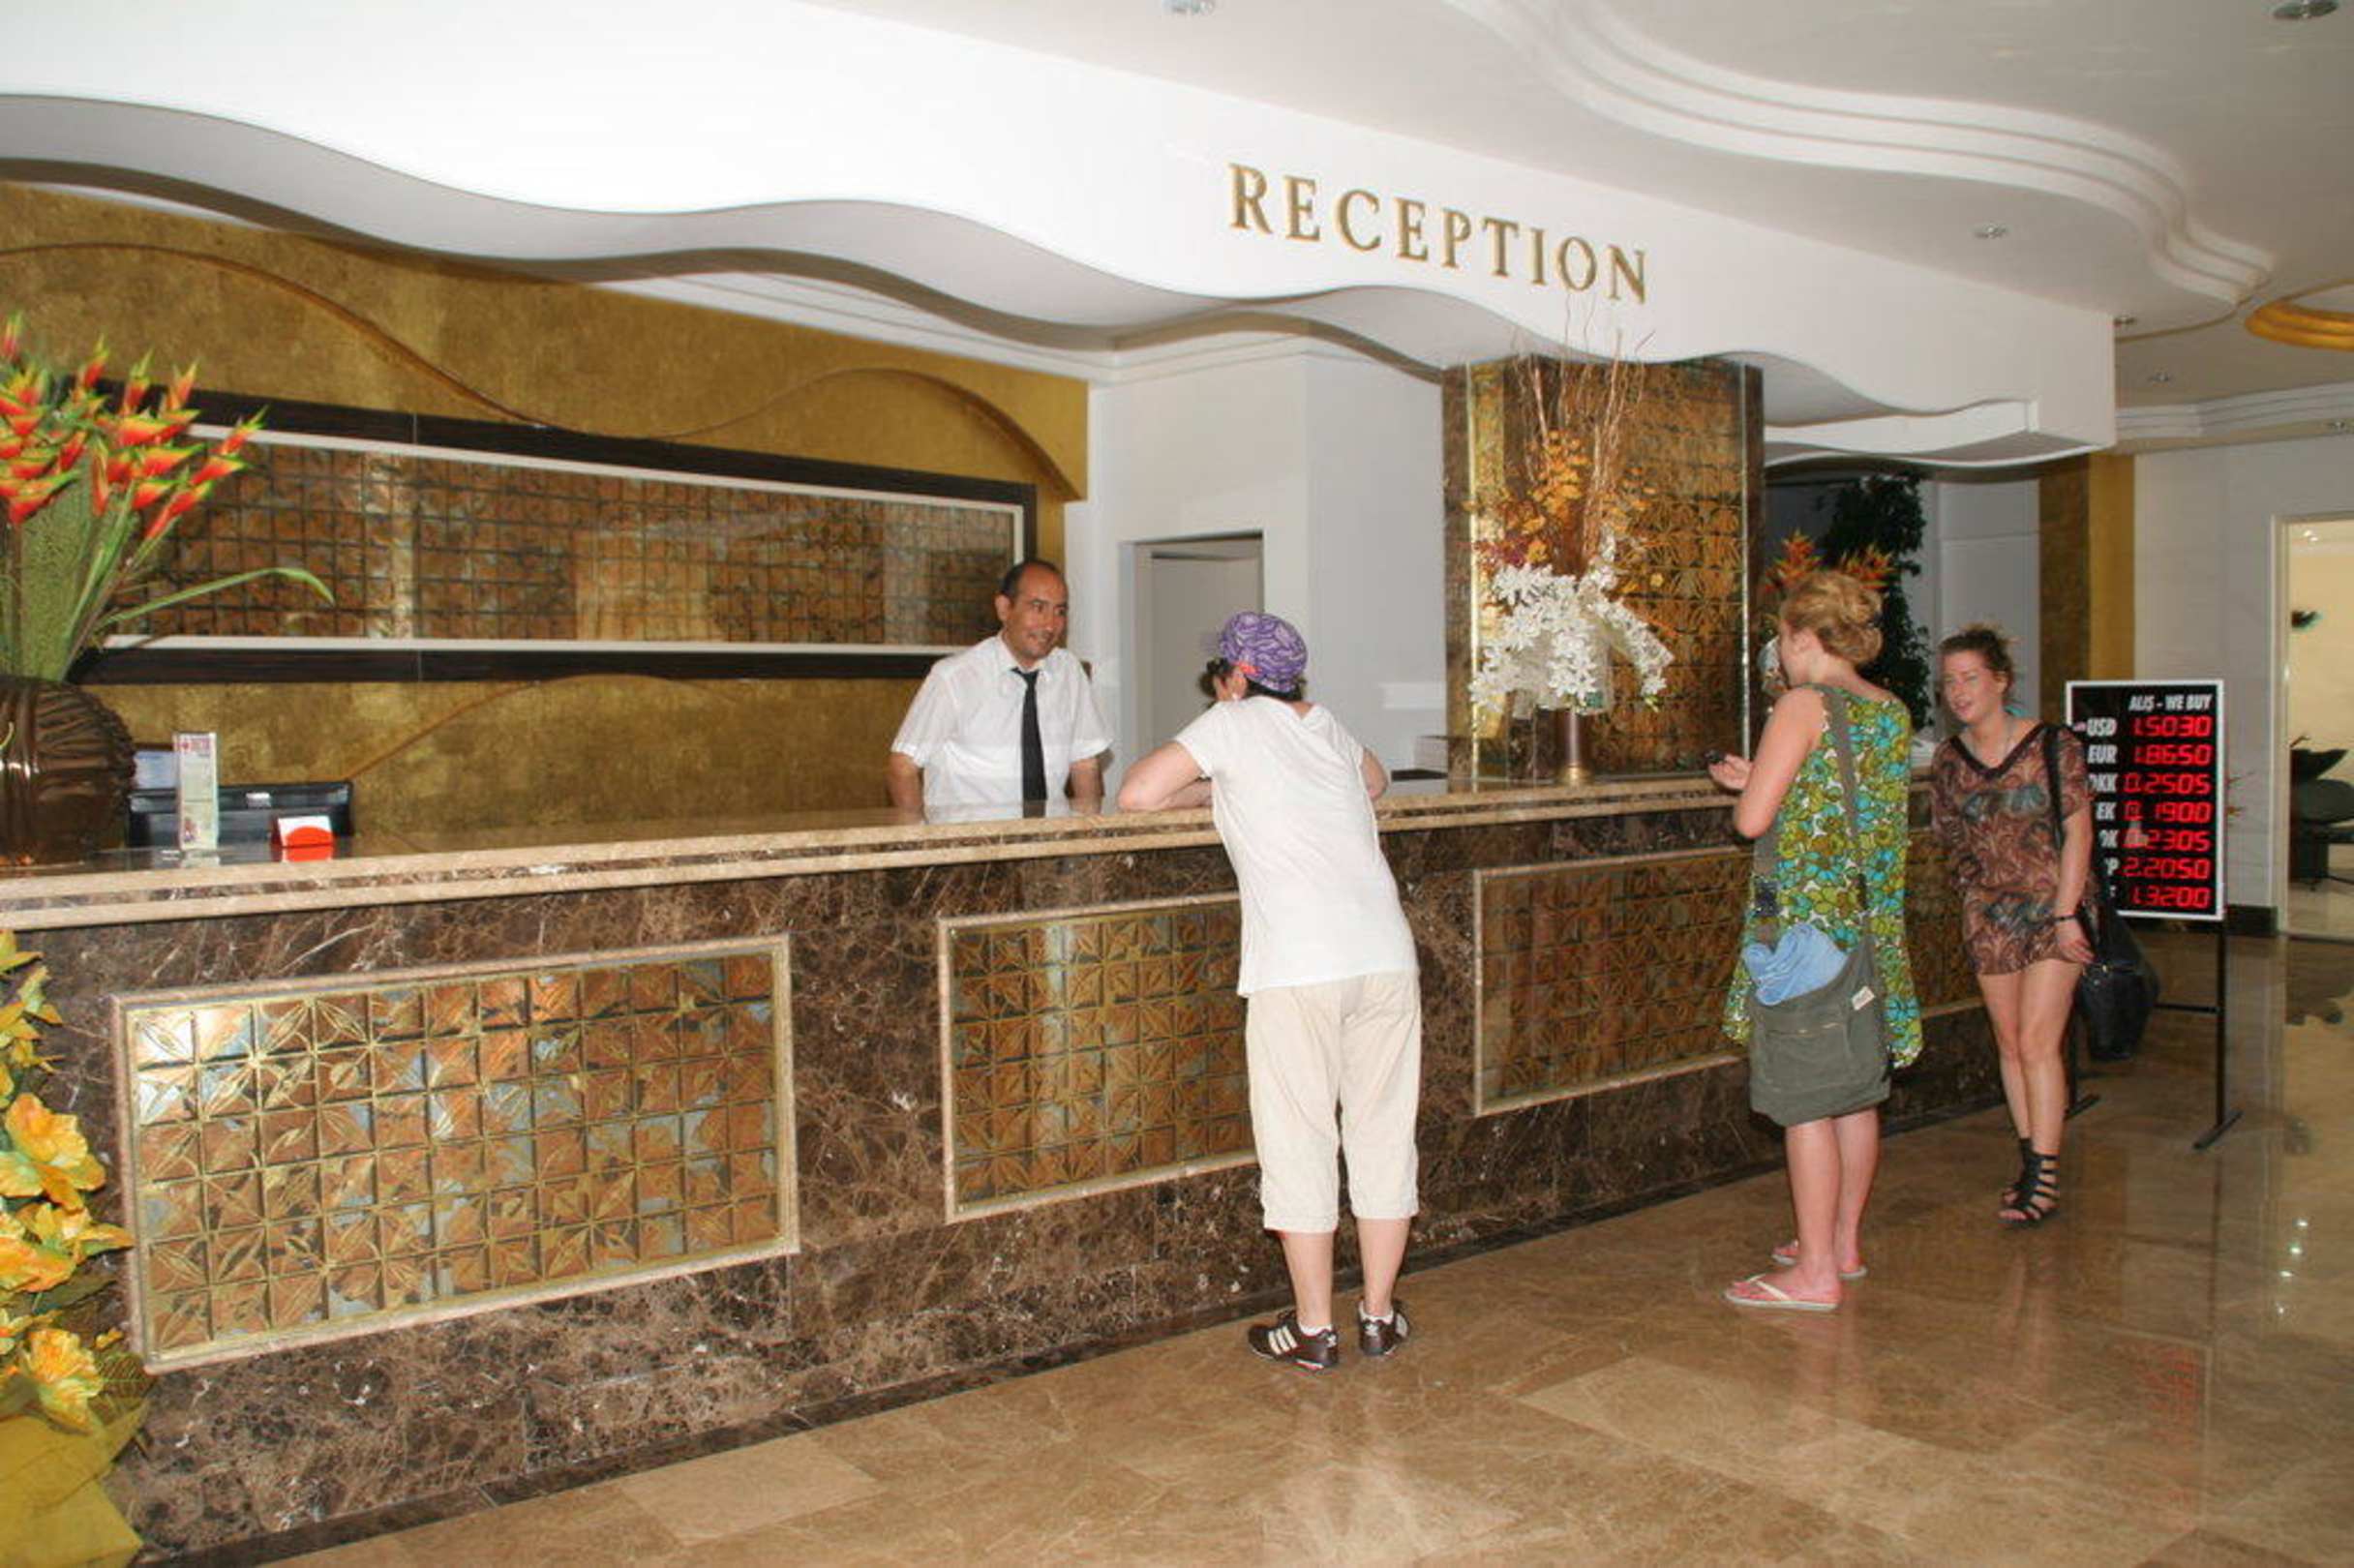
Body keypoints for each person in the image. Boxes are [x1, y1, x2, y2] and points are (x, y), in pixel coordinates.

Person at [1118, 612, 1422, 1372]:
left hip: (1299, 965)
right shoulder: (1325, 724)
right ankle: (1378, 1316)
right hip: (1385, 957)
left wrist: (1214, 786)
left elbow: (1137, 793)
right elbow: (1375, 781)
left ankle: (1314, 1329)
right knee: (1384, 1134)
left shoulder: (1232, 722)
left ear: (1238, 677)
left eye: (1219, 677)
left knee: (1300, 1140)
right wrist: (1227, 790)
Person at [1711, 571, 1922, 1311]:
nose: (1780, 654)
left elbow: (1751, 822)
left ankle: (1814, 1275)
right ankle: (1840, 1243)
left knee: (1805, 1100)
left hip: (1805, 937)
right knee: (1855, 1093)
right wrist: (1770, 778)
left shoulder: (1802, 704)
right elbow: (1840, 802)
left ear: (1804, 637)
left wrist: (1748, 786)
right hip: (1869, 932)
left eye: (1782, 640)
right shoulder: (1890, 710)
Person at [1928, 622, 2092, 1226]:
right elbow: (1949, 835)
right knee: (2009, 1042)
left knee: (2037, 1042)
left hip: (2054, 909)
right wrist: (1976, 890)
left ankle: (2045, 1176)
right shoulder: (1950, 759)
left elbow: (2079, 830)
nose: (1958, 691)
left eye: (1969, 677)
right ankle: (2029, 1162)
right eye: (1949, 682)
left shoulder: (2053, 743)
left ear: (2000, 680)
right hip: (1989, 914)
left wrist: (2068, 912)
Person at [887, 558, 1111, 812]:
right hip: (972, 836)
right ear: (1004, 608)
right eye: (1038, 607)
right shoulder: (955, 678)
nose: (1050, 624)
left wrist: (1091, 833)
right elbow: (902, 768)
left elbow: (1085, 765)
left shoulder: (1069, 672)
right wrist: (921, 834)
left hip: (1051, 834)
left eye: (1060, 611)